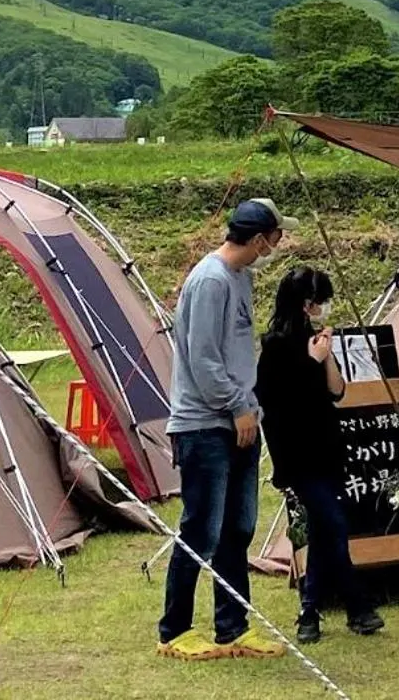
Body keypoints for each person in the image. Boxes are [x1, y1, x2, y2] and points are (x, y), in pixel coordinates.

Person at [159, 197, 297, 661]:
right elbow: (202, 359)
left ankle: (233, 626)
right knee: (201, 528)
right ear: (259, 239)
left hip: (241, 418)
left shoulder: (242, 277)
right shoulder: (211, 280)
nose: (278, 245)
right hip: (205, 424)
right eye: (276, 237)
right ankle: (174, 630)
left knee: (239, 528)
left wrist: (249, 407)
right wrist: (237, 406)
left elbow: (235, 352)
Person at [255, 266, 385, 645]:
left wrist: (325, 357)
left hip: (327, 448)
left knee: (322, 528)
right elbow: (276, 403)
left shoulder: (316, 341)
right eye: (320, 301)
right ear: (306, 303)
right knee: (334, 524)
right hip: (298, 454)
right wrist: (310, 361)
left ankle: (311, 612)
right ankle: (356, 604)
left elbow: (337, 391)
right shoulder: (276, 346)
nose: (324, 308)